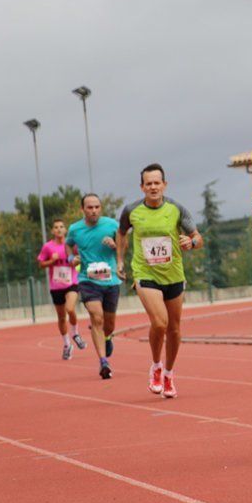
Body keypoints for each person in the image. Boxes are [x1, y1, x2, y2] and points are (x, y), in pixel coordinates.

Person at [116, 163, 203, 399]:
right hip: (145, 274)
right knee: (160, 322)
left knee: (174, 329)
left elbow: (197, 237)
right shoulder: (131, 210)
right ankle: (155, 365)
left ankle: (168, 372)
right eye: (148, 183)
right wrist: (120, 261)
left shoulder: (176, 209)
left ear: (164, 185)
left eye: (157, 182)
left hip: (174, 275)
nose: (153, 187)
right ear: (142, 187)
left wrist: (191, 243)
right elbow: (122, 232)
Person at [66, 194, 122, 379]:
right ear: (82, 209)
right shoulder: (75, 229)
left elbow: (125, 245)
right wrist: (70, 258)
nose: (94, 211)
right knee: (96, 318)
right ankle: (103, 362)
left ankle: (107, 337)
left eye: (97, 207)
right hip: (88, 280)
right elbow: (68, 246)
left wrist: (115, 246)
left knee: (109, 324)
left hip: (111, 279)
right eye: (90, 207)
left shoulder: (112, 225)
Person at [37, 219, 85, 360]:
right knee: (61, 317)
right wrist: (52, 261)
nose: (59, 229)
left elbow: (81, 257)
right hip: (56, 286)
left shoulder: (71, 245)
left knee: (70, 309)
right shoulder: (48, 247)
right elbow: (41, 264)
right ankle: (66, 344)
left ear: (65, 230)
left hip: (72, 283)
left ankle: (75, 334)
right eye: (56, 227)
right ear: (52, 231)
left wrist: (76, 260)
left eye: (61, 227)